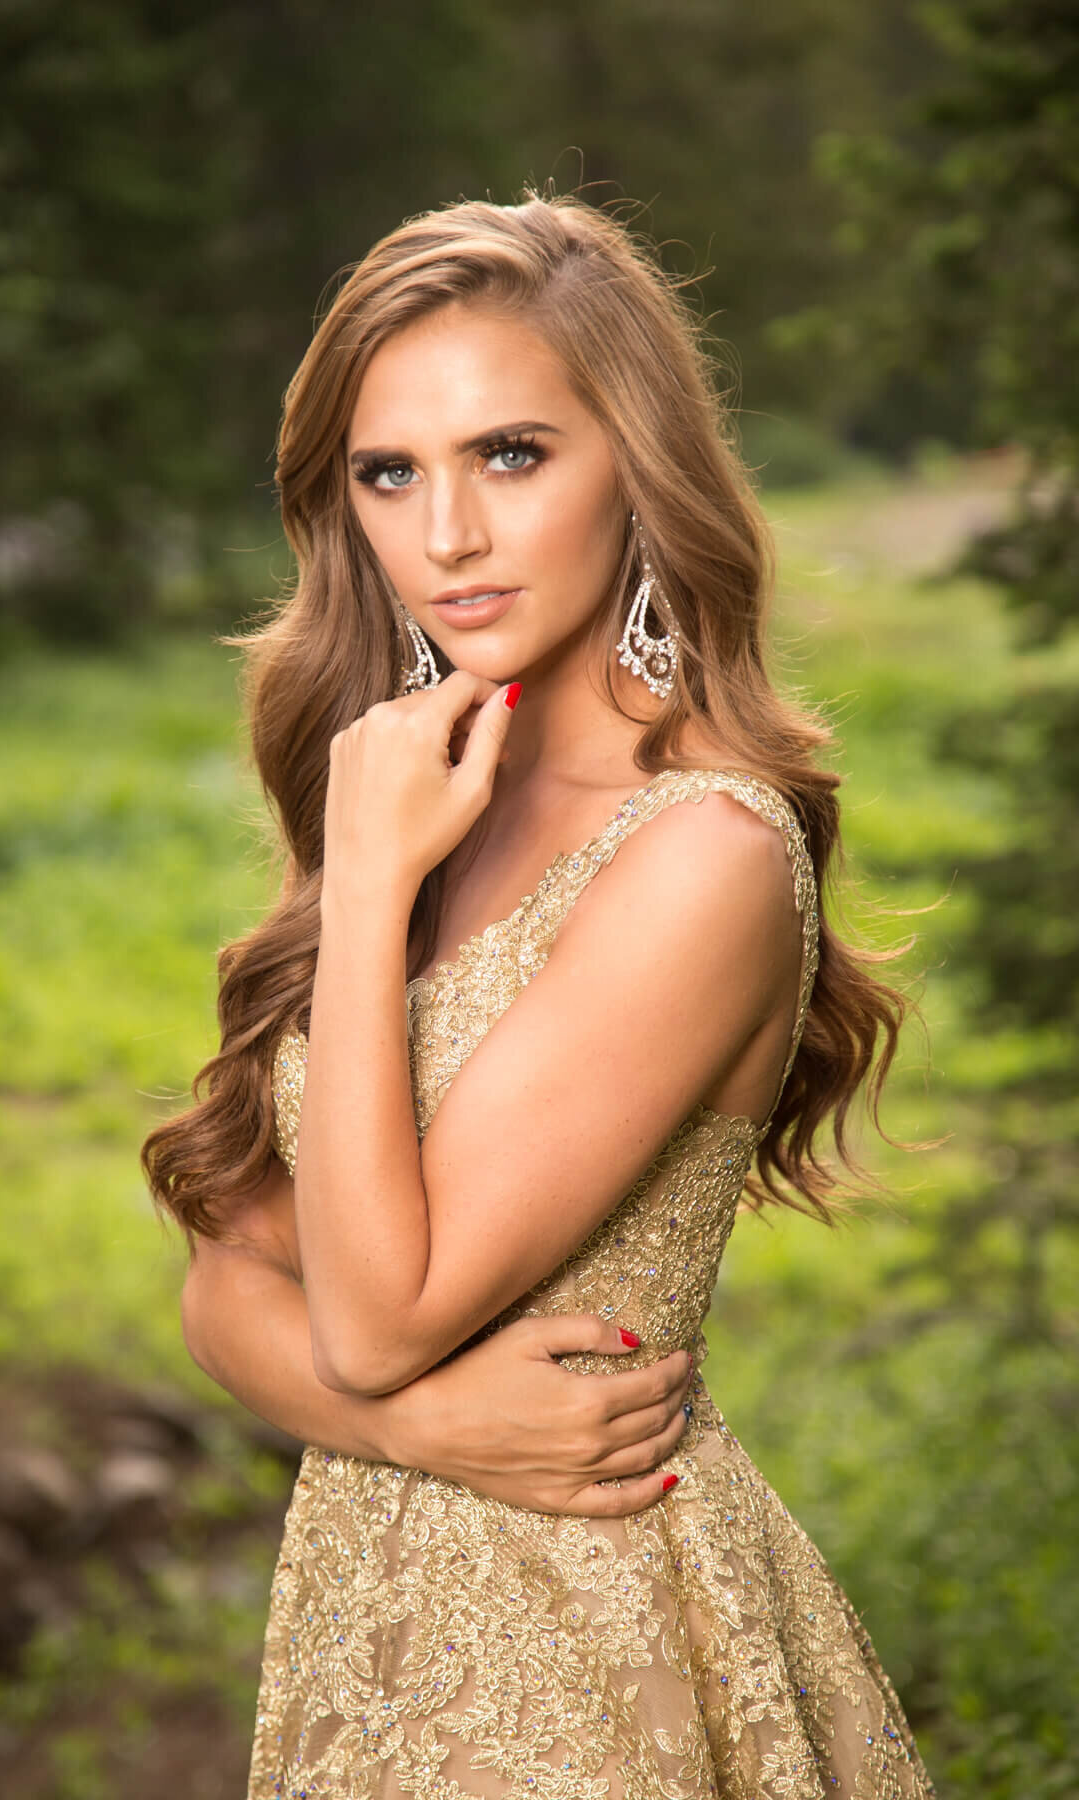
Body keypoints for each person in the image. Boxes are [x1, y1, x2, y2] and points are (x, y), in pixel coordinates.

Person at [144, 191, 936, 1798]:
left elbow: (367, 1318)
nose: (447, 535)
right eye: (390, 472)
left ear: (634, 469)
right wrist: (424, 1431)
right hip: (374, 1636)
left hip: (586, 1651)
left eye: (510, 454)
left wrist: (366, 894)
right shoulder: (427, 799)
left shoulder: (705, 850)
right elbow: (231, 1286)